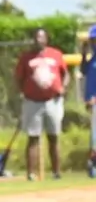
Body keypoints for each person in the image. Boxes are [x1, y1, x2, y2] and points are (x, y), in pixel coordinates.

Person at [14, 28, 68, 180]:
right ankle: (31, 174)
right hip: (33, 102)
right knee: (33, 138)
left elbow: (65, 74)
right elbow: (18, 77)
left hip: (53, 101)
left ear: (46, 39)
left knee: (53, 137)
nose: (38, 40)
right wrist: (22, 91)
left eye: (41, 37)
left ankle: (56, 172)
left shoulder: (56, 54)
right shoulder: (26, 57)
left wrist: (63, 87)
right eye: (36, 37)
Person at [82, 27, 96, 178]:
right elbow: (83, 70)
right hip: (92, 103)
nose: (93, 43)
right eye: (92, 40)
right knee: (93, 137)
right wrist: (83, 54)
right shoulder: (92, 58)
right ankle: (93, 166)